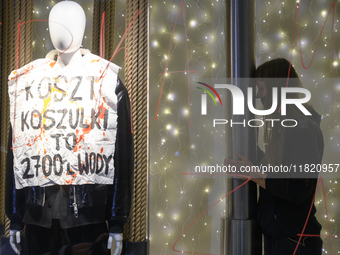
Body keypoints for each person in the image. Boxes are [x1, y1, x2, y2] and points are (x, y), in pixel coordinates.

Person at [5, 1, 133, 255]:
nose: (63, 29)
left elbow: (121, 156)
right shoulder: (30, 83)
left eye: (71, 22)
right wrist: (16, 216)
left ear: (83, 28)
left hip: (86, 216)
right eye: (56, 22)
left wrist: (117, 221)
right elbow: (16, 152)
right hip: (37, 215)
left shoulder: (106, 83)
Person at [224, 58, 324, 255]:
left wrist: (254, 174)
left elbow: (297, 190)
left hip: (294, 242)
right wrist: (245, 147)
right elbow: (279, 170)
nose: (259, 97)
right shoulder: (286, 127)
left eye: (261, 89)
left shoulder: (303, 129)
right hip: (281, 238)